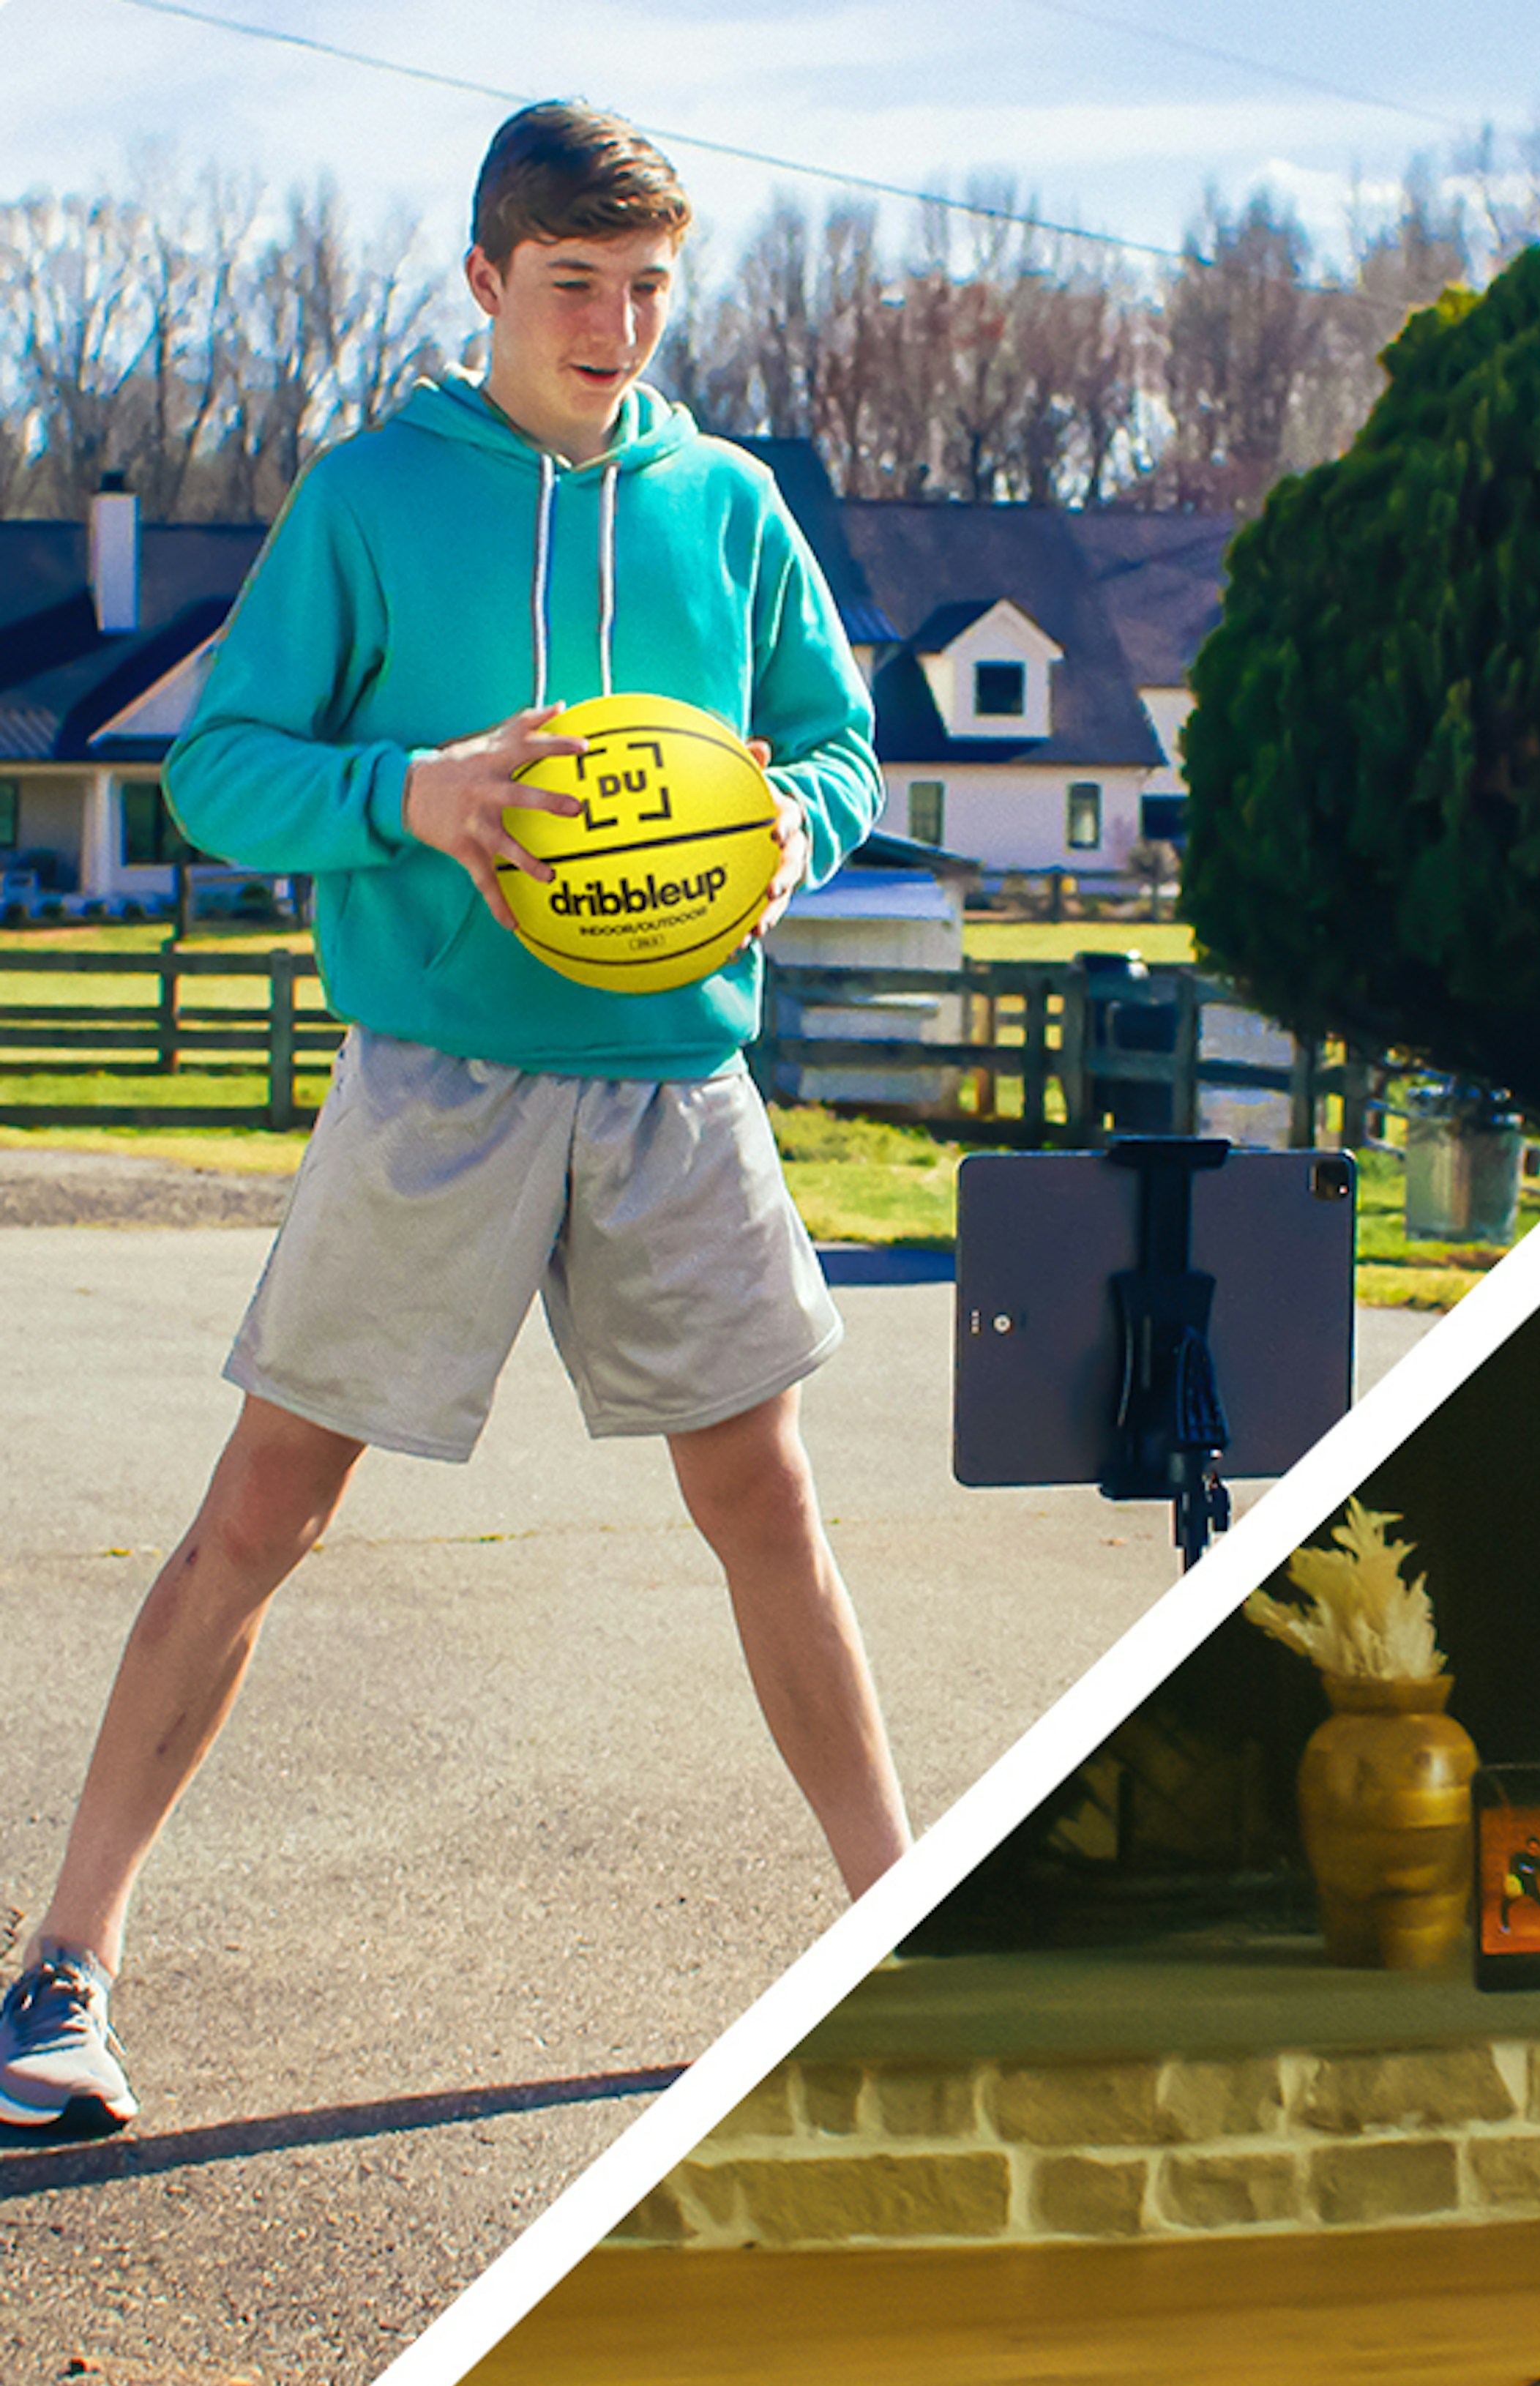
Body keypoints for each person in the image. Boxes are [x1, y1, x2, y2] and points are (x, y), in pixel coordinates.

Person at [0, 102, 911, 2140]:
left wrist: (791, 822)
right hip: (441, 1078)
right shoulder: (372, 497)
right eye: (575, 286)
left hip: (678, 1075)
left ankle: (892, 1929)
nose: (614, 330)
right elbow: (220, 773)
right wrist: (408, 792)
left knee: (765, 1501)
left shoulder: (732, 508)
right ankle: (63, 1968)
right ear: (487, 279)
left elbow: (844, 744)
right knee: (266, 1510)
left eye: (649, 292)